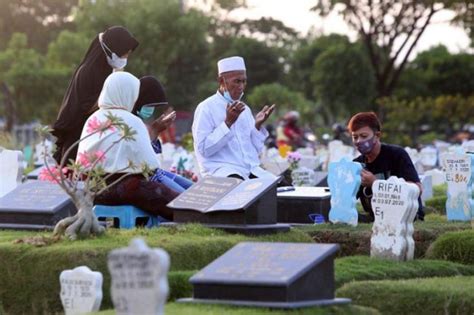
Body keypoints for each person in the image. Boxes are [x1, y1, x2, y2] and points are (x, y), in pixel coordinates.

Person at [77, 72, 177, 220]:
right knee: (171, 200)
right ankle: (193, 220)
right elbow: (151, 165)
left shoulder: (93, 117)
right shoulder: (131, 120)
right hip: (122, 190)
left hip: (91, 189)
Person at [52, 26, 139, 164]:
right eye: (124, 54)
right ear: (113, 50)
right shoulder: (88, 72)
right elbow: (85, 105)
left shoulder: (106, 71)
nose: (125, 58)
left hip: (93, 138)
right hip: (79, 139)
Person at [192, 56, 276, 180]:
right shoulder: (206, 108)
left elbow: (255, 151)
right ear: (221, 81)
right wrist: (228, 123)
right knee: (240, 188)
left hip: (250, 170)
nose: (241, 86)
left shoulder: (245, 110)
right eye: (237, 81)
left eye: (244, 81)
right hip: (221, 171)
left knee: (283, 188)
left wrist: (257, 126)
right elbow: (204, 149)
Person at [348, 112, 424, 222]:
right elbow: (348, 198)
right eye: (355, 137)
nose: (359, 141)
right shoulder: (357, 164)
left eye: (364, 136)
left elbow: (417, 188)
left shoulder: (397, 155)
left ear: (377, 136)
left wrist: (376, 184)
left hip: (406, 217)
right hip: (377, 218)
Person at [132, 75, 193, 193]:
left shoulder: (138, 122)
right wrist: (155, 131)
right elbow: (143, 161)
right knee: (184, 196)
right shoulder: (128, 122)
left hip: (155, 173)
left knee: (193, 189)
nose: (151, 109)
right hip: (146, 178)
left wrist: (156, 130)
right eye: (149, 106)